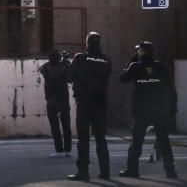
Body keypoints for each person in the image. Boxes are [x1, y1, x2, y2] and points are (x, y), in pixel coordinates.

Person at [119, 41, 178, 179]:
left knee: (137, 141)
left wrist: (131, 61)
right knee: (164, 141)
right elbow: (170, 88)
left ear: (141, 52)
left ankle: (132, 170)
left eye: (138, 50)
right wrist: (173, 106)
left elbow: (123, 78)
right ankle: (171, 171)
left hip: (141, 110)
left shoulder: (135, 66)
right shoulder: (161, 67)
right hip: (159, 109)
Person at [66, 31, 112, 181]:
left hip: (85, 102)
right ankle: (105, 172)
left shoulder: (80, 58)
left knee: (83, 138)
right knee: (101, 139)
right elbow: (106, 77)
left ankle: (83, 172)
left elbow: (69, 77)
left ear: (87, 43)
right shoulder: (106, 60)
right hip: (100, 102)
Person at [39, 49, 72, 157]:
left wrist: (62, 62)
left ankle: (59, 150)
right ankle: (67, 150)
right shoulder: (65, 67)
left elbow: (41, 69)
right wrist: (65, 62)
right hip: (63, 99)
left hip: (51, 99)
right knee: (66, 125)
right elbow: (70, 78)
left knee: (55, 126)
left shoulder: (46, 68)